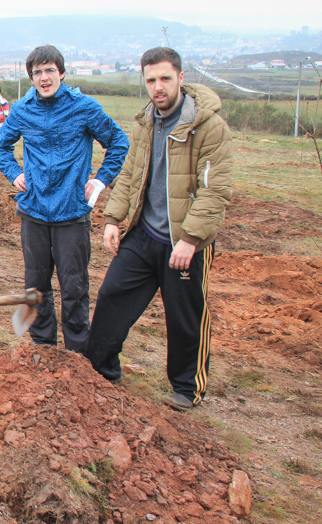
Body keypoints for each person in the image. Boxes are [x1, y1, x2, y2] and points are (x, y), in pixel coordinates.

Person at [85, 47, 232, 412]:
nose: (158, 87)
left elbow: (215, 190)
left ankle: (187, 387)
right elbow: (131, 175)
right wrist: (113, 220)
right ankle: (101, 368)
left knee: (185, 317)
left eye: (165, 78)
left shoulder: (209, 126)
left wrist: (190, 239)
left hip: (184, 244)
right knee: (112, 297)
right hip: (143, 234)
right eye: (151, 80)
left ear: (181, 77)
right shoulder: (145, 122)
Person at [0, 45, 129, 352]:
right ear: (31, 78)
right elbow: (1, 145)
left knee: (74, 288)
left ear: (62, 73)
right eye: (37, 72)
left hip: (72, 212)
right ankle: (43, 350)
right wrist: (14, 172)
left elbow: (118, 142)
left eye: (50, 70)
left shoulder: (84, 108)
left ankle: (77, 357)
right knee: (36, 288)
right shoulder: (23, 110)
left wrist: (99, 180)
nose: (44, 77)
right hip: (34, 212)